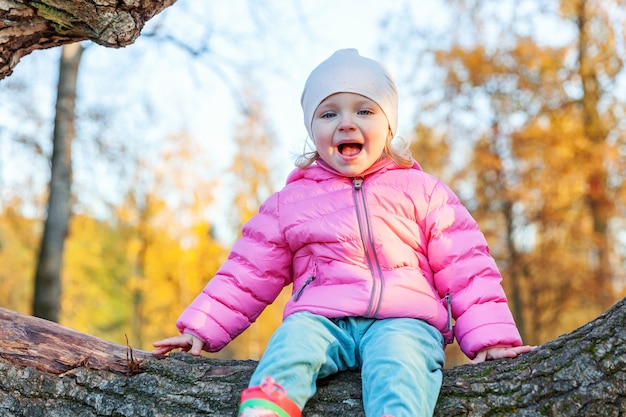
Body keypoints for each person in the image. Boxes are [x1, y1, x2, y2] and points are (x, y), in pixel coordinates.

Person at [153, 48, 535, 417]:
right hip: (321, 319)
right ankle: (267, 408)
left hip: (404, 320)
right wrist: (199, 329)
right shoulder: (291, 202)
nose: (345, 123)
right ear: (312, 129)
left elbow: (465, 265)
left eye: (364, 110)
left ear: (388, 126)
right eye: (328, 113)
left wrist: (492, 337)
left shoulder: (424, 192)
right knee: (290, 346)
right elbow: (247, 273)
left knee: (401, 367)